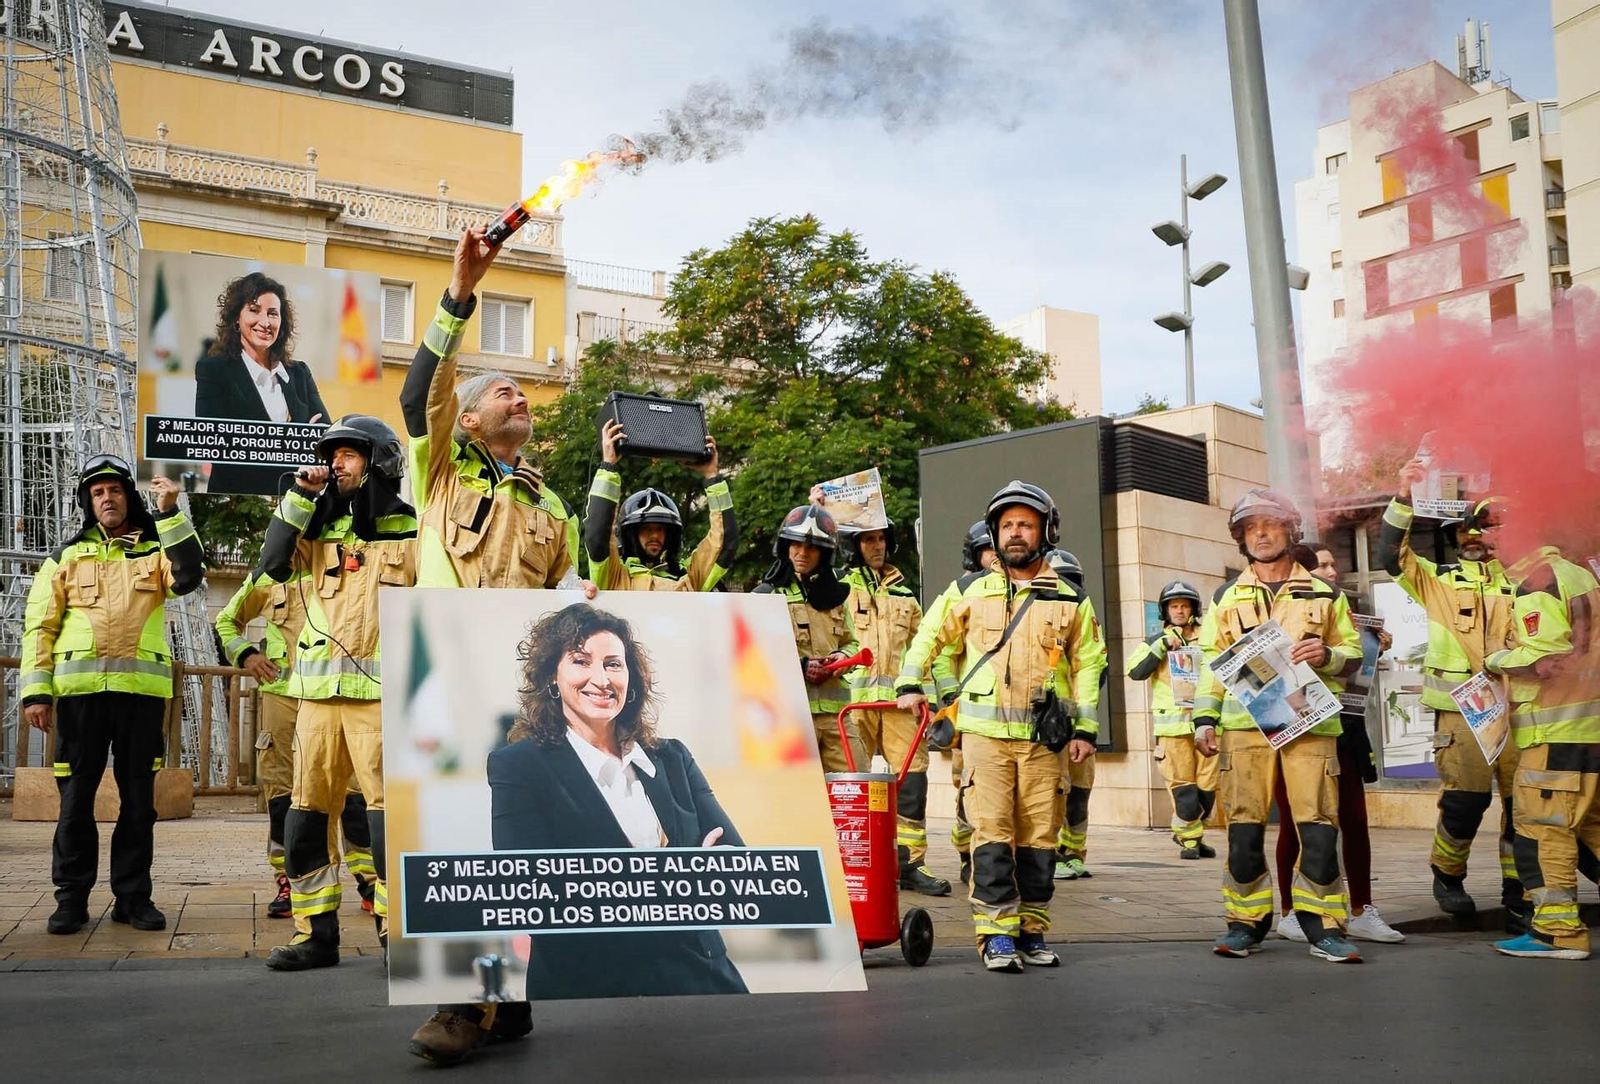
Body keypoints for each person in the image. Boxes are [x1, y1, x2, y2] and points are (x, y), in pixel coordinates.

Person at [401, 228, 595, 1065]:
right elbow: (422, 393)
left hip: (525, 705)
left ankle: (503, 996)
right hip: (450, 688)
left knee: (516, 844)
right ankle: (464, 1001)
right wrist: (459, 291)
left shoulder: (551, 506)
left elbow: (576, 596)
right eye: (503, 391)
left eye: (523, 394)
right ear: (471, 419)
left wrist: (580, 606)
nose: (520, 398)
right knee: (462, 840)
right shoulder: (439, 471)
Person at [897, 481, 1106, 973]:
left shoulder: (1071, 597)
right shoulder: (969, 590)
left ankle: (1031, 930)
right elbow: (930, 636)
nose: (1015, 533)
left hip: (1044, 744)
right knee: (992, 836)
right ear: (995, 532)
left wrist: (1085, 729)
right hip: (985, 742)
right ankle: (995, 934)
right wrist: (910, 680)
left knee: (1040, 840)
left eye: (1025, 525)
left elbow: (1089, 664)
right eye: (1007, 524)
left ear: (1045, 532)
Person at [489, 603, 748, 996]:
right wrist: (685, 877)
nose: (601, 679)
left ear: (631, 678)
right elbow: (531, 888)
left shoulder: (672, 758)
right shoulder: (518, 767)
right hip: (589, 984)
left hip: (699, 974)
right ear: (552, 678)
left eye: (613, 664)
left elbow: (735, 864)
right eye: (581, 661)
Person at [20, 455, 203, 934]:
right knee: (75, 804)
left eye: (115, 490)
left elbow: (188, 575)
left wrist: (170, 512)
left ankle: (133, 898)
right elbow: (39, 627)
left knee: (139, 804)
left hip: (140, 697)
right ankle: (71, 900)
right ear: (88, 501)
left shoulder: (155, 550)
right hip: (79, 698)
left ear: (129, 496)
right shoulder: (64, 557)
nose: (107, 498)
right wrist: (36, 693)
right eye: (98, 492)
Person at [260, 415, 416, 972]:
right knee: (306, 817)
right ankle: (315, 935)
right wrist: (302, 494)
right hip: (318, 701)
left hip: (381, 702)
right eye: (332, 455)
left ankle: (398, 933)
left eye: (348, 454)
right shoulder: (317, 526)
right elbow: (272, 562)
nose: (336, 463)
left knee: (385, 821)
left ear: (378, 461)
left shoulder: (413, 529)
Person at [1194, 488, 1365, 964]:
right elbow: (1210, 661)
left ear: (1291, 531)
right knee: (1244, 828)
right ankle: (1244, 923)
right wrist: (1204, 718)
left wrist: (1329, 656)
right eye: (1251, 528)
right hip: (1243, 728)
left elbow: (1354, 653)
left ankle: (1324, 926)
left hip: (1310, 724)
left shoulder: (1327, 593)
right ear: (1241, 538)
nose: (1261, 535)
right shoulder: (1226, 597)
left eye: (1270, 525)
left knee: (1319, 826)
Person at [1376, 465, 1525, 928]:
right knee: (1465, 803)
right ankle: (1448, 874)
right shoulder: (1437, 579)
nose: (1474, 535)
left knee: (1523, 808)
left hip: (1519, 709)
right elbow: (1389, 555)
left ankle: (1519, 891)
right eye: (1465, 529)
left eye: (1486, 527)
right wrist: (1404, 497)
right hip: (1461, 711)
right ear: (1454, 536)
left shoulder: (1525, 581)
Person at [215, 570, 377, 919]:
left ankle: (371, 881)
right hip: (283, 697)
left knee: (355, 794)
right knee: (284, 797)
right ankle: (290, 880)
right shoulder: (270, 572)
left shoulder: (345, 561)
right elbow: (226, 621)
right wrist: (246, 655)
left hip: (337, 696)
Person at [1272, 545, 1405, 945]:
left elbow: (1352, 664)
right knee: (1299, 821)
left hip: (1345, 724)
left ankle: (1362, 909)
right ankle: (1290, 911)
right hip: (1297, 726)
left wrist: (1373, 647)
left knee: (1355, 818)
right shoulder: (1281, 605)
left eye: (1333, 564)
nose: (1333, 571)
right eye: (1324, 565)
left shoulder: (1347, 611)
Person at [1485, 534, 1600, 960]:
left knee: (1544, 832)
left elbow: (1547, 659)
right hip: (1589, 729)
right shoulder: (1581, 575)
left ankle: (1558, 932)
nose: (1490, 544)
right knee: (1592, 830)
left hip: (1553, 733)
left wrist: (1496, 660)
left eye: (1497, 533)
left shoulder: (1537, 580)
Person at [838, 518, 951, 897]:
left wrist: (936, 700)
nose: (877, 546)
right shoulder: (839, 589)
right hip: (853, 706)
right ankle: (849, 865)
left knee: (913, 783)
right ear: (854, 546)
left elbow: (927, 652)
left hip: (901, 706)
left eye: (882, 539)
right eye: (868, 539)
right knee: (850, 788)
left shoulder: (906, 596)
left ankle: (910, 865)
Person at [754, 504, 866, 772]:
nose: (802, 553)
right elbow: (754, 656)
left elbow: (852, 643)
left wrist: (842, 657)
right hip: (789, 719)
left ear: (824, 554)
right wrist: (801, 667)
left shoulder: (835, 596)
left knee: (857, 783)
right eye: (796, 544)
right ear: (785, 546)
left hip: (837, 718)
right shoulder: (765, 595)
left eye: (812, 547)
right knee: (793, 791)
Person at [193, 272, 328, 495]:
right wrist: (299, 438)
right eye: (254, 310)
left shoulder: (299, 373)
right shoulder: (213, 370)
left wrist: (256, 440)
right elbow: (215, 442)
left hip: (295, 494)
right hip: (236, 497)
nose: (265, 323)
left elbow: (325, 437)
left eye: (273, 314)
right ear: (237, 318)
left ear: (282, 322)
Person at [586, 419, 736, 591]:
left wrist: (711, 475)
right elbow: (598, 536)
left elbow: (723, 544)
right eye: (646, 528)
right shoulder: (615, 576)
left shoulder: (689, 577)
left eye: (661, 529)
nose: (655, 535)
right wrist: (608, 466)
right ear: (630, 535)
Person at [1127, 579, 1219, 860]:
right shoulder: (1155, 641)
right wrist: (1161, 647)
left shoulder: (1209, 638)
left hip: (1207, 725)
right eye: (1174, 606)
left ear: (1194, 609)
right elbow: (1135, 671)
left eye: (1184, 606)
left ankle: (1195, 834)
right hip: (1173, 728)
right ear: (1165, 611)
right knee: (1184, 789)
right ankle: (1189, 839)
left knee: (1208, 787)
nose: (1179, 611)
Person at [1046, 549, 1103, 880]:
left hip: (1078, 725)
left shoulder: (1086, 619)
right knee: (1052, 793)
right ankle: (1050, 854)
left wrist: (1085, 726)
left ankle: (1074, 853)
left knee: (1079, 794)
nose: (1064, 588)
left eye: (1070, 581)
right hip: (1048, 726)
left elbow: (1096, 669)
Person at [946, 520, 994, 885]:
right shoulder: (963, 593)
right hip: (970, 718)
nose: (994, 556)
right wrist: (952, 698)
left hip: (1013, 720)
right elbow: (944, 652)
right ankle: (967, 853)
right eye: (987, 550)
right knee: (968, 791)